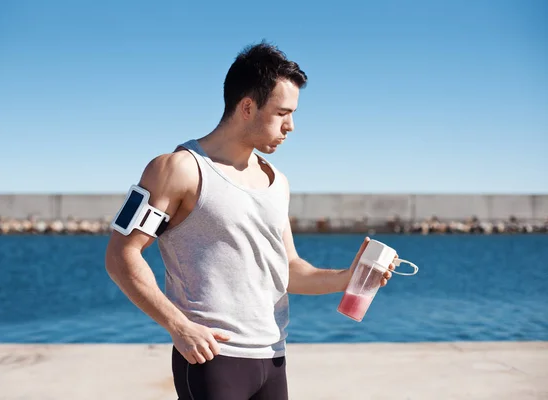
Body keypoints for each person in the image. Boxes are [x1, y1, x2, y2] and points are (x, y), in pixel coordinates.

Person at [105, 42, 395, 400]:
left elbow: (288, 271)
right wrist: (179, 326)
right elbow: (121, 255)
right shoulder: (178, 169)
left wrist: (348, 278)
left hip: (273, 358)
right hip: (212, 359)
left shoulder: (277, 181)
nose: (291, 126)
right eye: (282, 113)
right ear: (247, 107)